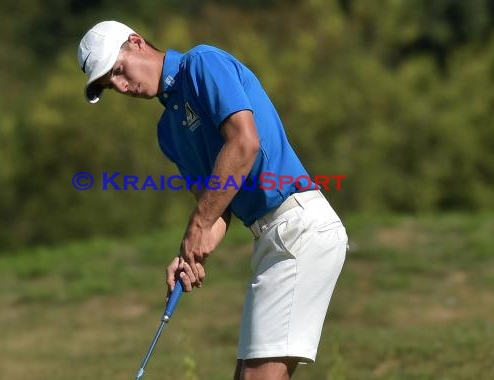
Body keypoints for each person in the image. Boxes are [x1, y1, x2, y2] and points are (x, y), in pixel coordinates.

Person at [77, 20, 348, 380]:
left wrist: (199, 224)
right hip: (271, 240)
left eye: (118, 71)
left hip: (298, 226)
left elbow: (244, 143)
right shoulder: (167, 133)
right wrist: (189, 254)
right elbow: (217, 208)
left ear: (136, 42)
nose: (122, 86)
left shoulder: (202, 64)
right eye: (110, 85)